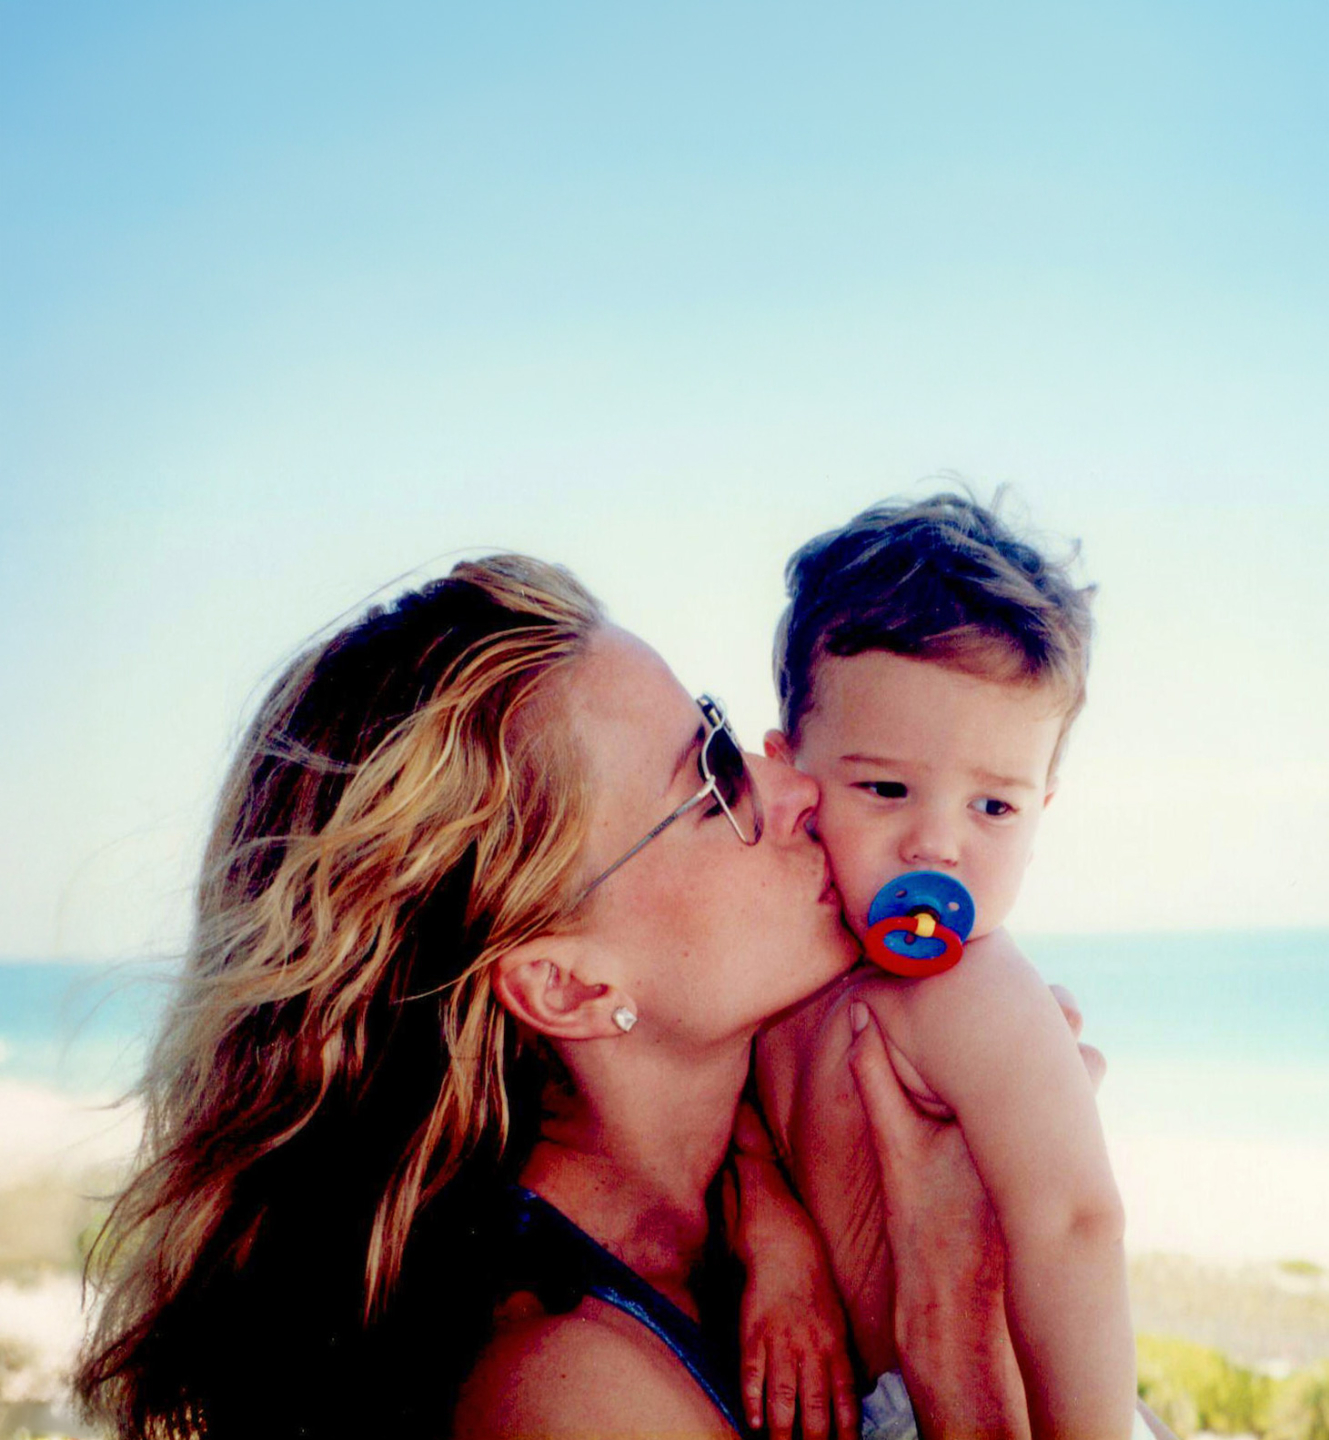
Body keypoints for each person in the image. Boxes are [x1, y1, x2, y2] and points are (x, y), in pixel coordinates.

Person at [78, 551, 1044, 1440]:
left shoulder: (747, 1189)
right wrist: (949, 1318)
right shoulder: (565, 1389)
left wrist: (775, 1210)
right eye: (711, 785)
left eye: (718, 729)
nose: (793, 785)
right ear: (566, 983)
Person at [752, 494, 1138, 1439]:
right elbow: (734, 1130)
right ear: (792, 774)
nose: (936, 844)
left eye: (993, 808)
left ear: (1040, 810)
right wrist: (777, 1244)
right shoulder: (766, 974)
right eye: (885, 788)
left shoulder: (973, 988)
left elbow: (1072, 1224)